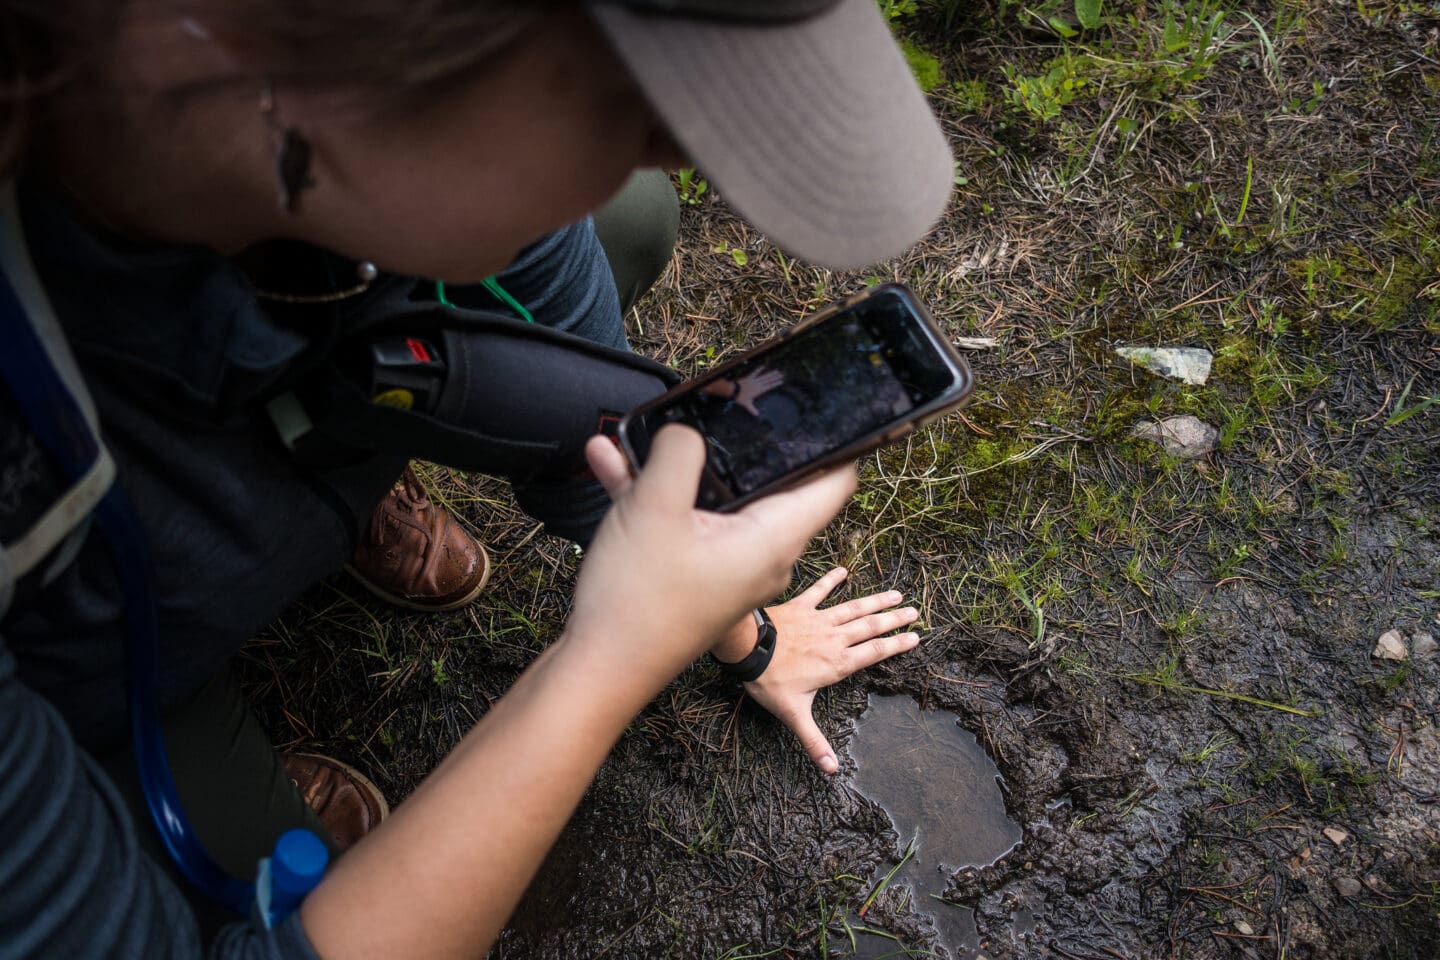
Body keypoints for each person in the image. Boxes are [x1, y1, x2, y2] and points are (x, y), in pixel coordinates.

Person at [0, 1, 954, 957]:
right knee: (266, 879)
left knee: (618, 220)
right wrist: (612, 654)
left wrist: (740, 636)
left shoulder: (359, 100)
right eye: (633, 97)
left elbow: (600, 436)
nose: (679, 153)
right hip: (75, 649)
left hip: (246, 359)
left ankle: (327, 468)